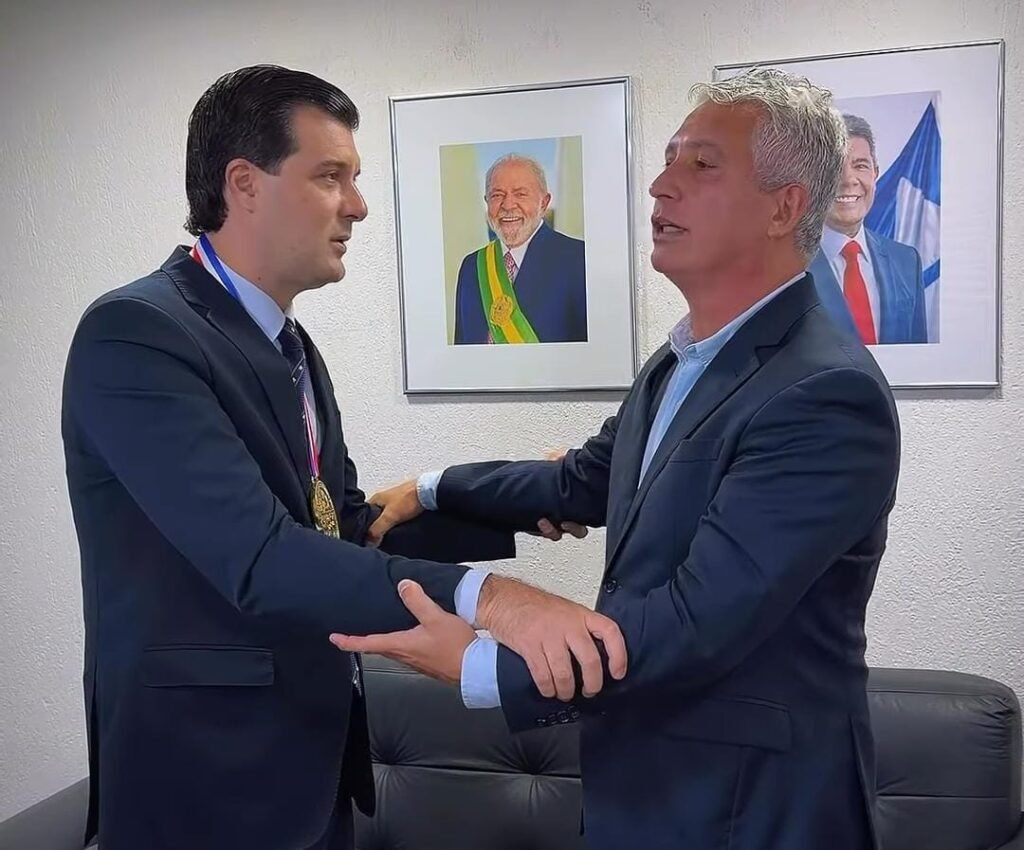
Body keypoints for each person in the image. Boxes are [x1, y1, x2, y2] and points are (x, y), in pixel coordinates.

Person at [61, 65, 625, 850]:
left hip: (313, 768)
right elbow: (262, 556)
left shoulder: (290, 346)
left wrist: (530, 499)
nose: (358, 206)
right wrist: (491, 598)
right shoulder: (137, 335)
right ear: (244, 184)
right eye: (332, 177)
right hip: (203, 783)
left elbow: (347, 528)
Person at [335, 68, 901, 850]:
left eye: (702, 165)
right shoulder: (681, 362)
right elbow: (580, 483)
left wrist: (486, 663)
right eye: (668, 160)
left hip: (753, 811)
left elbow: (697, 620)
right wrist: (430, 490)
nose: (662, 186)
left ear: (784, 207)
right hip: (642, 790)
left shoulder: (825, 392)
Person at [809, 113, 928, 344]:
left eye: (860, 166)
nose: (848, 180)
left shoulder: (907, 262)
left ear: (875, 174)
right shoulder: (785, 267)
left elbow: (920, 356)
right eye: (834, 166)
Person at [453, 154, 588, 344]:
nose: (507, 205)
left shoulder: (579, 259)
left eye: (520, 194)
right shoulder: (471, 266)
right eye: (497, 195)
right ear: (487, 201)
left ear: (544, 203)